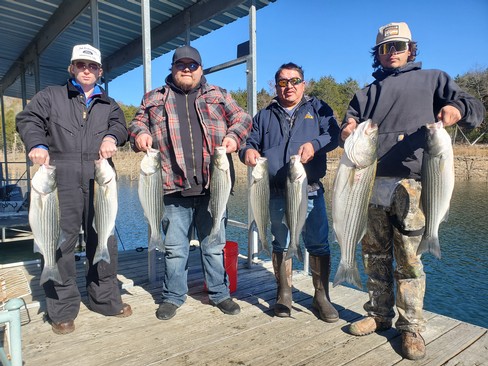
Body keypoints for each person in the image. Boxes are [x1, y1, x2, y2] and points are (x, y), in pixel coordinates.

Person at [341, 22, 485, 360]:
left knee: (408, 260)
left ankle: (411, 328)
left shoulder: (434, 79)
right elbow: (347, 128)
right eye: (386, 47)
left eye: (399, 45)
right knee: (373, 256)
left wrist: (457, 110)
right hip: (369, 184)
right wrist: (346, 128)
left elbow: (475, 109)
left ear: (410, 48)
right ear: (377, 53)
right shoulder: (365, 93)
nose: (392, 52)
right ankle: (378, 315)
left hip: (415, 184)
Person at [128, 45, 252, 320]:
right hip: (172, 188)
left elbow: (243, 118)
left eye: (192, 65)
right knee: (174, 249)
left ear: (200, 69)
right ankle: (173, 296)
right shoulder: (153, 98)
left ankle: (220, 293)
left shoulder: (219, 94)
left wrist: (233, 136)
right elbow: (136, 123)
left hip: (213, 188)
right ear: (172, 69)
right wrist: (139, 134)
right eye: (181, 65)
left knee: (214, 245)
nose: (187, 69)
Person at [16, 44, 132, 335]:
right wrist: (37, 144)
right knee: (59, 243)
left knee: (103, 239)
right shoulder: (50, 96)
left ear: (100, 71)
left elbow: (121, 126)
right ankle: (63, 309)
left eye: (92, 66)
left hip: (99, 177)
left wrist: (110, 138)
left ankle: (104, 298)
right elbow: (28, 120)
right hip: (61, 178)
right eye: (81, 65)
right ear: (72, 68)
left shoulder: (109, 103)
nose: (87, 70)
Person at [240, 62, 340, 322]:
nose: (289, 87)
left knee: (318, 242)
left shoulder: (318, 108)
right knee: (280, 242)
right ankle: (283, 293)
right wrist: (247, 152)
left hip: (309, 189)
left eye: (294, 81)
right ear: (276, 85)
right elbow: (250, 142)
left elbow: (334, 134)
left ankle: (321, 297)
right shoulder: (264, 115)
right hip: (273, 192)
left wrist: (314, 144)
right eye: (283, 82)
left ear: (303, 84)